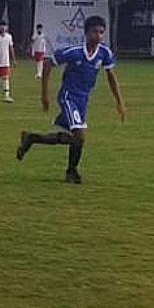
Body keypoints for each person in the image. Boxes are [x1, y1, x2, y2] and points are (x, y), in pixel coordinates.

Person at [15, 15, 127, 184]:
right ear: (87, 33)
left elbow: (111, 77)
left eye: (102, 32)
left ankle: (31, 138)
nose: (99, 36)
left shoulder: (104, 53)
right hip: (68, 97)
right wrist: (44, 94)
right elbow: (47, 64)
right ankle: (71, 172)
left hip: (83, 101)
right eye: (95, 32)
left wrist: (120, 102)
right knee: (80, 136)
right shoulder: (74, 52)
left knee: (74, 138)